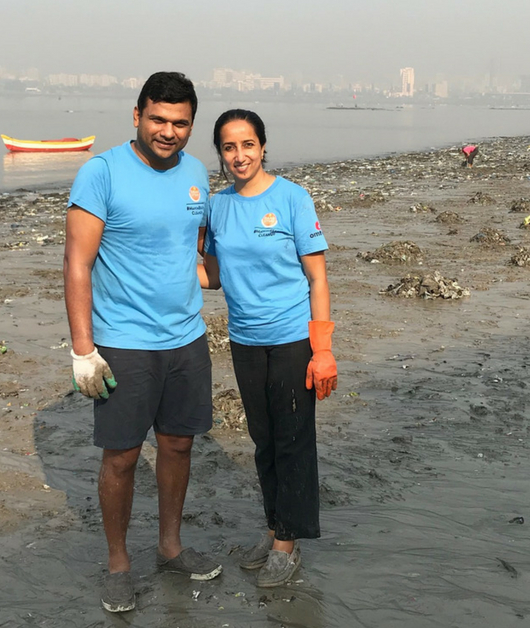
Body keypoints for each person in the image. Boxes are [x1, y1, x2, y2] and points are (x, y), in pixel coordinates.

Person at [64, 71, 222, 614]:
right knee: (123, 457)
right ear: (137, 116)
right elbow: (77, 264)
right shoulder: (101, 172)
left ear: (191, 126)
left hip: (187, 337)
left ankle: (170, 547)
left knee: (179, 444)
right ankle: (117, 564)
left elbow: (198, 253)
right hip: (124, 342)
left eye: (180, 123)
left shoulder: (198, 173)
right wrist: (83, 349)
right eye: (158, 119)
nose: (168, 131)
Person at [198, 109, 336, 588]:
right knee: (263, 442)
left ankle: (287, 544)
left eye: (248, 145)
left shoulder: (292, 198)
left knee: (293, 440)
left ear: (262, 147)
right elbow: (213, 277)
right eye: (229, 147)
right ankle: (277, 526)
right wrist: (156, 268)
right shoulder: (216, 207)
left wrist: (323, 350)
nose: (240, 156)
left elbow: (317, 277)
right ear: (220, 153)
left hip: (294, 339)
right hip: (245, 342)